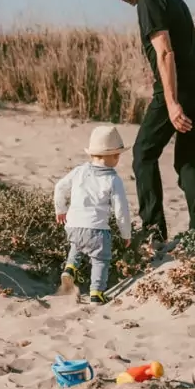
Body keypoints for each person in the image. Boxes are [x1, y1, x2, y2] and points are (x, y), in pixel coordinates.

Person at [102, 0, 195, 245]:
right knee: (187, 163)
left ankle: (153, 231)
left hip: (180, 92)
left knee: (143, 154)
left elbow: (165, 53)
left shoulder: (148, 1)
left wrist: (172, 102)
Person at [54, 124, 131, 304]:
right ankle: (96, 292)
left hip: (73, 225)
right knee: (100, 260)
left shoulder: (79, 171)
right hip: (97, 230)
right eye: (117, 155)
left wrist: (61, 209)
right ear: (111, 156)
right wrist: (126, 233)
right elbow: (121, 210)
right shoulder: (113, 179)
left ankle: (70, 268)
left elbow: (59, 187)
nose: (118, 158)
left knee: (77, 244)